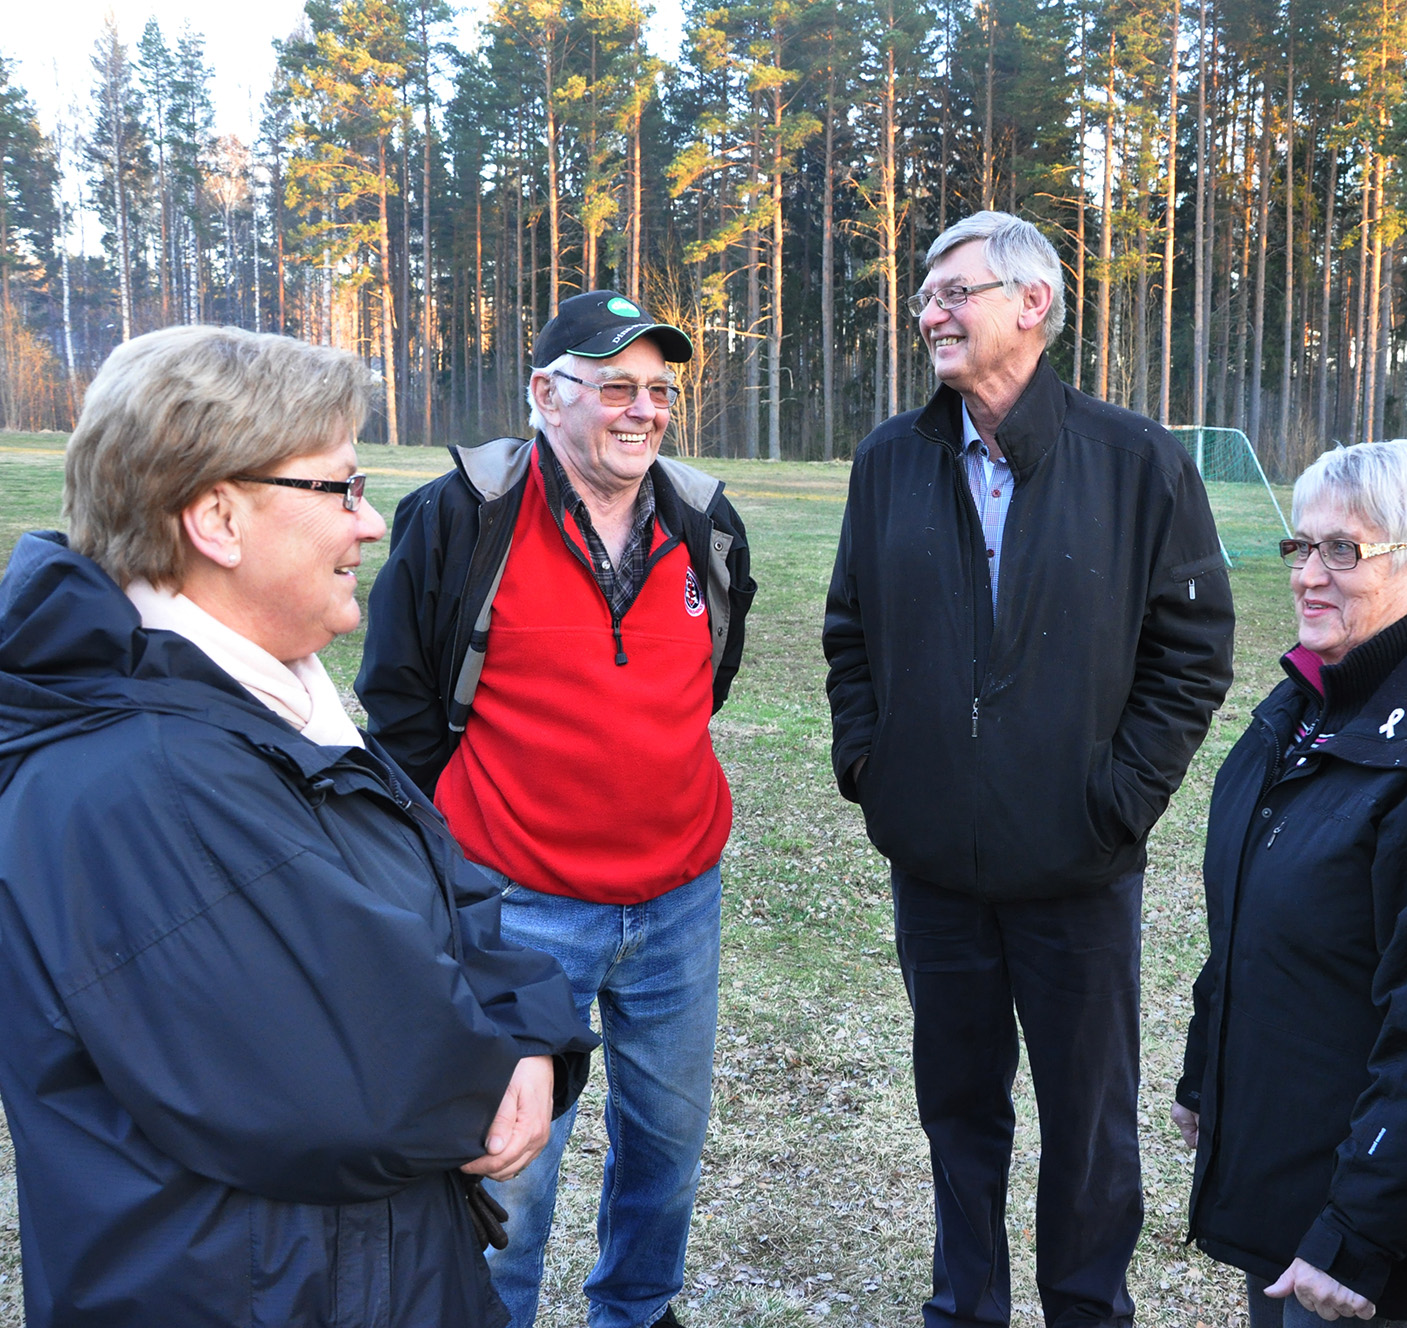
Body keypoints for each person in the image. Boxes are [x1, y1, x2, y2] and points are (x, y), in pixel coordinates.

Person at [0, 325, 597, 1328]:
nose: (369, 524)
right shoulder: (143, 782)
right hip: (254, 1288)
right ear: (218, 518)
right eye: (342, 488)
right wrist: (502, 1059)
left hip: (358, 1270)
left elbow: (447, 898)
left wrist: (533, 1031)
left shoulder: (271, 705)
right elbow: (366, 1078)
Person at [822, 210, 1235, 1327]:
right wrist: (874, 766)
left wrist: (1119, 799)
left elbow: (1192, 650)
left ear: (1032, 305)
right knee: (957, 1106)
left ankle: (1085, 1307)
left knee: (1088, 1116)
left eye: (955, 290)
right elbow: (848, 630)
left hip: (1078, 866)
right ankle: (966, 1304)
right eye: (925, 294)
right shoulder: (889, 461)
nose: (930, 312)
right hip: (937, 865)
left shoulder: (1137, 459)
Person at [357, 290, 755, 1328]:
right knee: (511, 1161)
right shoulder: (459, 516)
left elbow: (706, 680)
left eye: (659, 388)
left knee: (666, 1139)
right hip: (515, 905)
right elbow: (398, 704)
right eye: (614, 384)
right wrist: (460, 852)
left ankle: (637, 1305)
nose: (642, 409)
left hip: (679, 900)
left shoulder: (704, 517)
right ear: (545, 394)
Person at [1172, 441, 1407, 1327]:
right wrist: (1203, 1074)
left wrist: (1359, 1231)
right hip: (1282, 1163)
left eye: (1343, 550)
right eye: (1300, 547)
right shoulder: (1301, 711)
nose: (1308, 575)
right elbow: (1249, 926)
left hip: (1359, 1217)